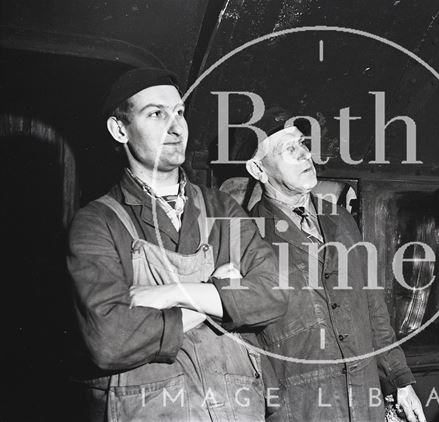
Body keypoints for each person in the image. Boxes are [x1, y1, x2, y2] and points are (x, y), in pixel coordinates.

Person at [67, 67, 286, 421]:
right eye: (156, 113)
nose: (176, 126)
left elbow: (273, 295)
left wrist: (170, 293)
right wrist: (218, 293)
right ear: (119, 129)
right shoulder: (97, 222)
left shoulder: (221, 208)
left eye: (180, 113)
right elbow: (109, 340)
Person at [245, 107, 427, 422]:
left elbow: (372, 309)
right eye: (289, 149)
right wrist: (273, 405)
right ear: (258, 169)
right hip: (302, 409)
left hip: (364, 402)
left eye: (302, 144)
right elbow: (244, 339)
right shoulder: (246, 237)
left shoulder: (340, 220)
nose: (305, 155)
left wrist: (400, 380)